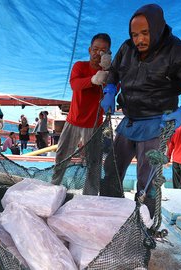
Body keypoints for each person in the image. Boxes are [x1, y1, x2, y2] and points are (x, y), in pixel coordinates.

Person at [100, 4, 181, 216]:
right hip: (130, 120)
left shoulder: (179, 51)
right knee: (111, 171)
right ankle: (109, 214)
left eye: (145, 33)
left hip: (157, 123)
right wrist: (109, 90)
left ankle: (144, 225)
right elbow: (114, 72)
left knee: (147, 180)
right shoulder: (127, 49)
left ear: (157, 27)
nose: (139, 40)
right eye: (134, 34)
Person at [51, 33, 111, 187]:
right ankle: (53, 188)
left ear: (109, 53)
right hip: (73, 122)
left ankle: (90, 197)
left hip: (95, 125)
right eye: (95, 49)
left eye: (103, 51)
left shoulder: (110, 73)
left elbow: (113, 90)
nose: (98, 53)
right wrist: (92, 80)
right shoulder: (80, 66)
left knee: (94, 163)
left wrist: (107, 71)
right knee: (61, 157)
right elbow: (75, 85)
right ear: (90, 49)